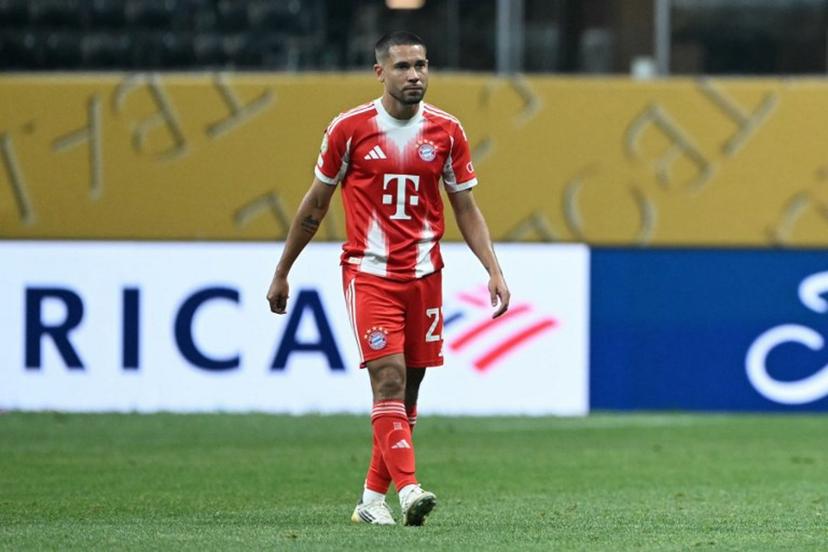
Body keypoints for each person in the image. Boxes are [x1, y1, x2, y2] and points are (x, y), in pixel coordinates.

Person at [266, 31, 510, 527]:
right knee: (389, 380)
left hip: (425, 275)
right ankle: (410, 488)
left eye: (421, 64)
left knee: (411, 390)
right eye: (402, 66)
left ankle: (371, 500)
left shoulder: (447, 132)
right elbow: (315, 206)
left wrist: (493, 268)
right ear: (380, 72)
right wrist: (282, 271)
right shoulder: (349, 129)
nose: (415, 74)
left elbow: (466, 206)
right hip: (370, 274)